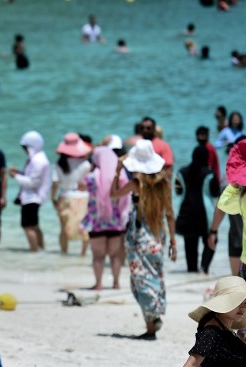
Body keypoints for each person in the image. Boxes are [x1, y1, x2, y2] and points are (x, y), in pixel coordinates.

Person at [111, 139, 177, 339]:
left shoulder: (135, 184)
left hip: (139, 237)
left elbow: (113, 194)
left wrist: (117, 170)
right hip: (158, 237)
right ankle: (154, 315)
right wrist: (173, 242)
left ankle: (150, 325)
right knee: (155, 277)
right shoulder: (164, 184)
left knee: (140, 280)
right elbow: (170, 214)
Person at [178, 276, 246, 367]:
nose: (243, 308)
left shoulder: (224, 331)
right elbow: (193, 365)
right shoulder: (212, 333)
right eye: (238, 302)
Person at [82, 139, 130, 290]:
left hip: (97, 222)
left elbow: (80, 186)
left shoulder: (91, 176)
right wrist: (123, 216)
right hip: (115, 221)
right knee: (115, 255)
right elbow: (125, 197)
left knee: (98, 256)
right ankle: (116, 283)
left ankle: (99, 284)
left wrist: (91, 166)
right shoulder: (119, 176)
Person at [174, 146, 219, 273]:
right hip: (205, 214)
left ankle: (192, 270)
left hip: (186, 212)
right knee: (211, 239)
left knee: (190, 245)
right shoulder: (209, 174)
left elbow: (177, 191)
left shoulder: (181, 172)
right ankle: (204, 268)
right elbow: (215, 193)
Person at [208, 138, 246, 276]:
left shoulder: (236, 192)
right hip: (237, 243)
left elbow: (222, 206)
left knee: (238, 288)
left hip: (238, 244)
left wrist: (213, 231)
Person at [9, 131, 50, 252]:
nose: (25, 150)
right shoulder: (39, 158)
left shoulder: (37, 161)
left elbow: (33, 183)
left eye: (25, 147)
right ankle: (41, 248)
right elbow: (32, 178)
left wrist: (15, 176)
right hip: (35, 197)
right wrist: (19, 174)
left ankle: (34, 250)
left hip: (31, 198)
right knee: (35, 226)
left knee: (28, 226)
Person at [51, 132, 91, 255]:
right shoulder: (86, 164)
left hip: (65, 197)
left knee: (63, 229)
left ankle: (64, 253)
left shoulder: (59, 164)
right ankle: (83, 254)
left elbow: (55, 183)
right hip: (82, 198)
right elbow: (89, 183)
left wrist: (52, 198)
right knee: (83, 227)